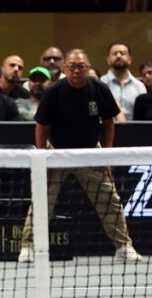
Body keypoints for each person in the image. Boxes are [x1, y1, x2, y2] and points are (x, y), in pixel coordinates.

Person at [18, 49, 143, 263]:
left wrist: (106, 155)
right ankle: (28, 247)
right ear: (65, 68)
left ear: (88, 67)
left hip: (90, 153)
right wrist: (42, 159)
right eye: (72, 67)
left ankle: (123, 247)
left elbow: (109, 123)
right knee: (42, 200)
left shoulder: (100, 89)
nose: (77, 71)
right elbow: (41, 126)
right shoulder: (54, 91)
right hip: (57, 152)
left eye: (81, 66)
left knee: (110, 200)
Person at [99, 42, 146, 121]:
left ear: (130, 59)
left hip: (134, 131)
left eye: (122, 53)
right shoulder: (100, 83)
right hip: (106, 131)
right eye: (114, 53)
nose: (118, 56)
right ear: (108, 60)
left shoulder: (140, 86)